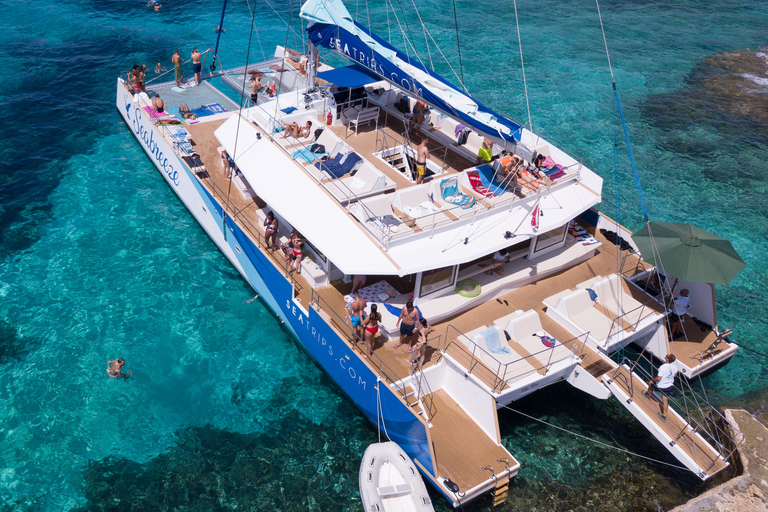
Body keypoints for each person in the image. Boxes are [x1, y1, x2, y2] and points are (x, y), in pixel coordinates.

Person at [644, 354, 678, 421]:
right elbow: (675, 375)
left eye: (666, 356)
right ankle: (664, 416)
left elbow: (659, 378)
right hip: (669, 386)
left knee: (651, 384)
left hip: (661, 386)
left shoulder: (663, 367)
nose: (665, 356)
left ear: (667, 359)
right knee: (665, 400)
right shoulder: (675, 367)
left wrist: (652, 380)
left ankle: (648, 395)